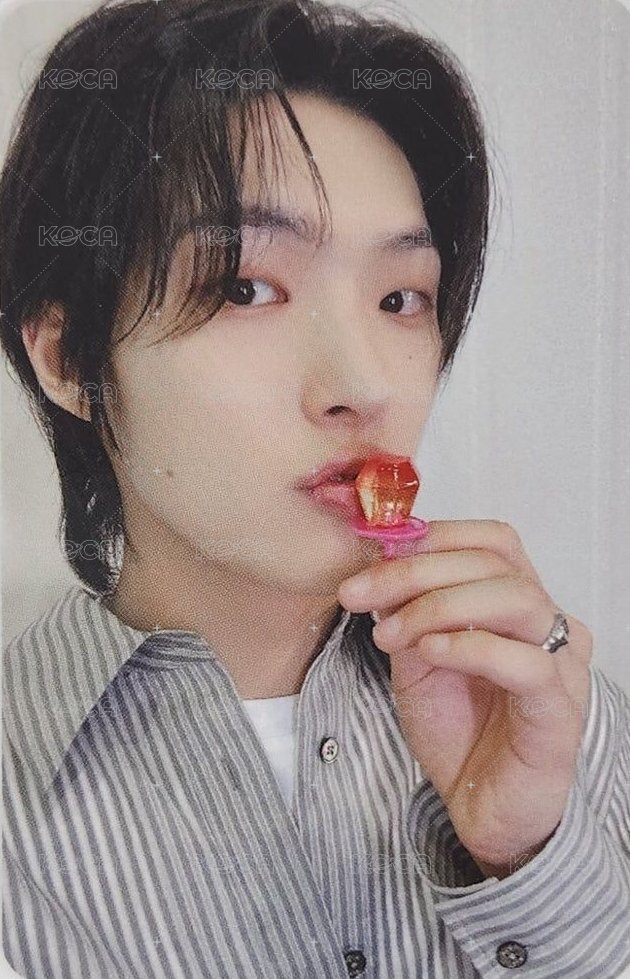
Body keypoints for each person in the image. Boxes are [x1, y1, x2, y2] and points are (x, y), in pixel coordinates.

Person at [1, 0, 629, 976]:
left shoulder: (552, 711)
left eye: (400, 298)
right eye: (245, 286)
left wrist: (529, 857)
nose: (364, 386)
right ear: (70, 357)